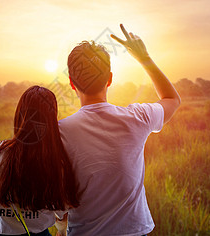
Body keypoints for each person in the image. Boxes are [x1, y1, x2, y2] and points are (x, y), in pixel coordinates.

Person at [57, 24, 181, 235]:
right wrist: (144, 58)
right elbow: (172, 99)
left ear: (71, 83)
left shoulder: (59, 131)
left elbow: (59, 194)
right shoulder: (138, 117)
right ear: (110, 79)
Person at [0, 86, 80, 236]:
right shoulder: (56, 163)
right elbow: (62, 211)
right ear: (51, 121)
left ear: (20, 115)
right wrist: (61, 231)